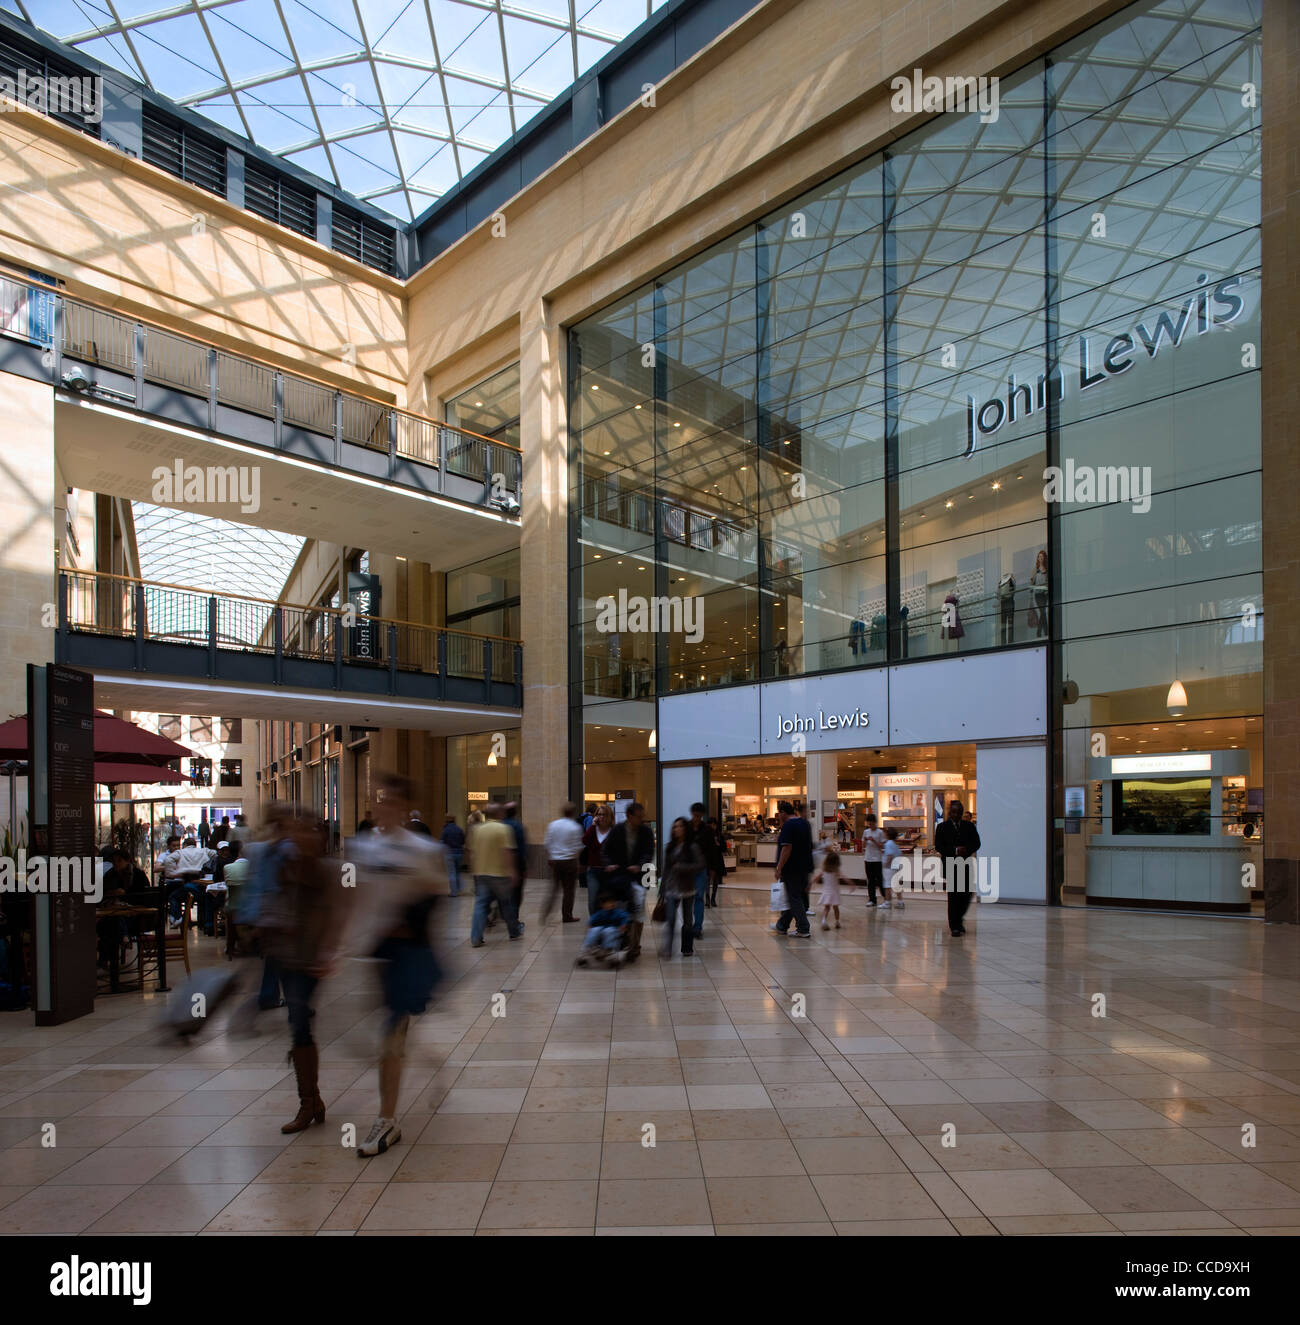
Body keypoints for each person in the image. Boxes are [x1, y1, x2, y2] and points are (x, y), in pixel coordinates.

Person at [349, 773, 448, 1157]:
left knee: (391, 1031)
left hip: (408, 951)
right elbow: (353, 898)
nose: (380, 808)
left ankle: (386, 1119)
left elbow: (438, 894)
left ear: (405, 809)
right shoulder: (364, 849)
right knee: (390, 1031)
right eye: (378, 800)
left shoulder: (422, 849)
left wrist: (408, 920)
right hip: (378, 951)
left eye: (389, 801)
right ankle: (429, 1063)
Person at [257, 809, 345, 1135]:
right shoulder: (286, 864)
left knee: (299, 1021)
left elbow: (336, 912)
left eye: (308, 830)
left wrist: (329, 949)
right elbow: (275, 903)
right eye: (298, 830)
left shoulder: (325, 870)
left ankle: (309, 1102)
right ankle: (312, 1101)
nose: (301, 836)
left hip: (307, 958)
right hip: (285, 954)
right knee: (298, 1023)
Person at [602, 802, 655, 960]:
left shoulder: (645, 831)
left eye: (642, 816)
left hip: (639, 877)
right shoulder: (617, 830)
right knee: (622, 910)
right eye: (638, 817)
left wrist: (639, 865)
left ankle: (634, 945)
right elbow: (605, 850)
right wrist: (609, 864)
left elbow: (649, 851)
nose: (641, 819)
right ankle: (622, 942)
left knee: (638, 912)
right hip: (620, 876)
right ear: (629, 816)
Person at [468, 802, 522, 947]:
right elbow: (507, 851)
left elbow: (472, 853)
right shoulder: (503, 829)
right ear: (499, 814)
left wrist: (474, 871)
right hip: (499, 873)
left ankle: (475, 937)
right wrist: (512, 871)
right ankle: (514, 931)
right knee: (506, 903)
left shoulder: (477, 830)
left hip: (481, 873)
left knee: (480, 905)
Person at [935, 798, 980, 938]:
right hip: (951, 865)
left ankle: (959, 919)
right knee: (954, 896)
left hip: (965, 864)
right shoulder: (942, 827)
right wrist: (954, 851)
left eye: (959, 812)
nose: (956, 815)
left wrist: (966, 851)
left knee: (966, 893)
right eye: (954, 812)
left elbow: (977, 843)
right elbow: (939, 846)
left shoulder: (969, 826)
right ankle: (954, 925)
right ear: (949, 812)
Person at [770, 800, 813, 938]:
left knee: (794, 898)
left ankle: (803, 928)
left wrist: (779, 867)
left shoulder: (788, 825)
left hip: (792, 868)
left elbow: (787, 848)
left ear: (783, 813)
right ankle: (782, 925)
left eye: (779, 813)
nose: (778, 816)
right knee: (794, 897)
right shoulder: (805, 823)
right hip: (804, 867)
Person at [660, 817, 702, 959]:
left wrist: (683, 867)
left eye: (680, 827)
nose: (676, 829)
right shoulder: (670, 847)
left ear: (685, 829)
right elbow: (665, 869)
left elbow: (700, 864)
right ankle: (668, 948)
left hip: (687, 888)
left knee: (688, 921)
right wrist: (662, 889)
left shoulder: (692, 847)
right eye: (675, 827)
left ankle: (687, 948)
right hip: (672, 887)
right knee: (671, 918)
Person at [543, 802, 584, 923]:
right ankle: (567, 915)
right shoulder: (575, 827)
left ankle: (546, 912)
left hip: (556, 861)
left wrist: (550, 857)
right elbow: (578, 847)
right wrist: (577, 862)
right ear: (573, 813)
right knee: (569, 891)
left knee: (554, 888)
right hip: (569, 861)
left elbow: (547, 843)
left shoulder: (553, 825)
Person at [686, 802, 717, 937]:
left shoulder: (707, 830)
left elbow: (711, 851)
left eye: (699, 816)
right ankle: (688, 925)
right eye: (695, 815)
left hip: (701, 869)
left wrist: (711, 869)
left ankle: (697, 926)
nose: (697, 818)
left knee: (699, 897)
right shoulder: (686, 828)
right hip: (687, 869)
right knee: (688, 898)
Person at [575, 892, 630, 967]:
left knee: (608, 931)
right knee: (594, 930)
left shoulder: (618, 912)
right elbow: (592, 919)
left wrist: (623, 925)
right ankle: (587, 949)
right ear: (602, 905)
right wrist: (589, 926)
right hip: (603, 929)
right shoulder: (600, 913)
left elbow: (625, 917)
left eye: (612, 902)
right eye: (608, 903)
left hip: (615, 930)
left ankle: (609, 950)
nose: (611, 904)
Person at [582, 804, 615, 917]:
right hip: (593, 871)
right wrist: (592, 825)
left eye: (604, 815)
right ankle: (594, 921)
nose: (601, 817)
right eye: (599, 814)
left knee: (608, 900)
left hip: (609, 872)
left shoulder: (613, 832)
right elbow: (585, 841)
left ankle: (607, 922)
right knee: (592, 899)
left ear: (610, 816)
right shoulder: (593, 830)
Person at [503, 801, 527, 927]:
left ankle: (505, 915)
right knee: (516, 894)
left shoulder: (500, 825)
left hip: (501, 865)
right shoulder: (518, 826)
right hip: (517, 863)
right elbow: (522, 848)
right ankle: (513, 920)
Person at [814, 849, 844, 930]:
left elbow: (816, 878)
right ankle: (837, 922)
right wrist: (852, 884)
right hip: (834, 892)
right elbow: (845, 878)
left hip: (826, 892)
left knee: (826, 908)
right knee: (836, 908)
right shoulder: (836, 871)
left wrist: (812, 883)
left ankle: (824, 920)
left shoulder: (824, 871)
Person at [862, 813, 886, 907]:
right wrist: (865, 840)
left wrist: (874, 841)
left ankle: (885, 898)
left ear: (875, 822)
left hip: (877, 859)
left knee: (880, 880)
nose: (870, 825)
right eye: (869, 824)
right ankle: (872, 899)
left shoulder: (880, 832)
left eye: (872, 823)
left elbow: (882, 845)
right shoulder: (866, 832)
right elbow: (863, 846)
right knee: (870, 880)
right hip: (868, 859)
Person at [440, 814, 466, 896]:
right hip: (459, 853)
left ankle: (454, 892)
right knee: (458, 872)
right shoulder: (459, 829)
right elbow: (463, 841)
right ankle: (458, 889)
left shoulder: (445, 829)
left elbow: (442, 841)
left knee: (451, 873)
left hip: (449, 853)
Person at [879, 827, 904, 911]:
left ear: (887, 835)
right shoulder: (894, 844)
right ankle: (900, 902)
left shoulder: (888, 844)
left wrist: (885, 865)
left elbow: (889, 855)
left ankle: (887, 903)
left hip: (889, 868)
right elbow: (899, 854)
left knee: (887, 886)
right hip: (896, 867)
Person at [706, 817, 725, 906]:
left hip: (717, 859)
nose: (712, 826)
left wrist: (718, 844)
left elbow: (724, 848)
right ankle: (707, 898)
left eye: (714, 824)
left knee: (716, 879)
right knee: (707, 879)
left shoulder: (719, 835)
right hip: (708, 859)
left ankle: (713, 898)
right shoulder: (705, 835)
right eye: (710, 824)